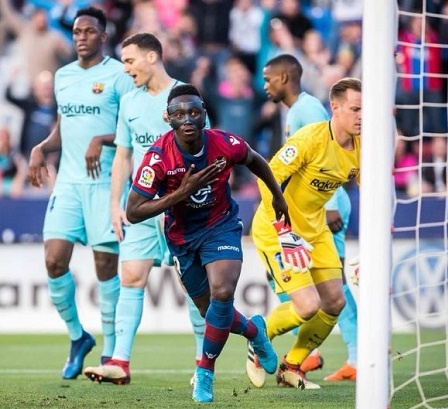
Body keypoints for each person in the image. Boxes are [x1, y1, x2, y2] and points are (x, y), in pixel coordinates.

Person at [126, 83, 288, 402]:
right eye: (178, 113)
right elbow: (133, 211)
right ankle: (255, 331)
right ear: (168, 118)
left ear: (204, 115)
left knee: (223, 292)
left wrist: (277, 195)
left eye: (193, 112)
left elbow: (255, 160)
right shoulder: (157, 158)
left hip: (221, 225)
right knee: (211, 311)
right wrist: (179, 195)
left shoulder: (223, 143)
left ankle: (205, 370)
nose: (187, 118)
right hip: (182, 238)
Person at [83, 32, 205, 386]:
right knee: (132, 277)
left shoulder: (185, 98)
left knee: (192, 287)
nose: (126, 69)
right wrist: (115, 205)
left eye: (131, 60)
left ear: (152, 57)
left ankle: (202, 365)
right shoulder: (130, 102)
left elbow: (206, 150)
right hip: (140, 208)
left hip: (182, 209)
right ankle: (120, 361)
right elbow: (123, 155)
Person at [28, 7, 134, 380]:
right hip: (70, 184)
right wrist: (42, 147)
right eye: (76, 31)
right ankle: (78, 337)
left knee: (105, 267)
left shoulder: (119, 76)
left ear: (103, 37)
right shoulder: (63, 76)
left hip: (107, 183)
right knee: (54, 260)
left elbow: (131, 129)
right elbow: (64, 127)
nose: (81, 37)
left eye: (89, 31)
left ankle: (109, 352)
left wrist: (102, 139)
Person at [246, 54, 358, 387]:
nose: (362, 117)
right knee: (307, 306)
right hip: (278, 228)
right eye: (356, 109)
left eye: (365, 109)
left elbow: (376, 189)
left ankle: (292, 364)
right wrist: (284, 230)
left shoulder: (364, 145)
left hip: (315, 226)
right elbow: (266, 178)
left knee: (335, 301)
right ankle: (256, 338)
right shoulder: (310, 135)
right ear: (335, 108)